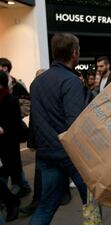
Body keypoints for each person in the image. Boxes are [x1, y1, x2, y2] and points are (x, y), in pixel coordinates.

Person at [28, 32, 87, 225]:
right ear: (74, 53)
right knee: (92, 204)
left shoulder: (37, 82)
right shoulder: (71, 81)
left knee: (46, 206)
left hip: (46, 153)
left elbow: (35, 119)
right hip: (71, 154)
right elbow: (75, 123)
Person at [0, 57, 32, 198]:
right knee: (11, 160)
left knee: (12, 159)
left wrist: (16, 116)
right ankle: (21, 185)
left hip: (12, 129)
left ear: (5, 68)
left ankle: (18, 188)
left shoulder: (16, 85)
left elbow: (27, 103)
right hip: (4, 131)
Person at [0, 71, 21, 222]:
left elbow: (16, 126)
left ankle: (11, 201)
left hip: (7, 146)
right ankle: (10, 200)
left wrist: (3, 130)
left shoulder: (11, 100)